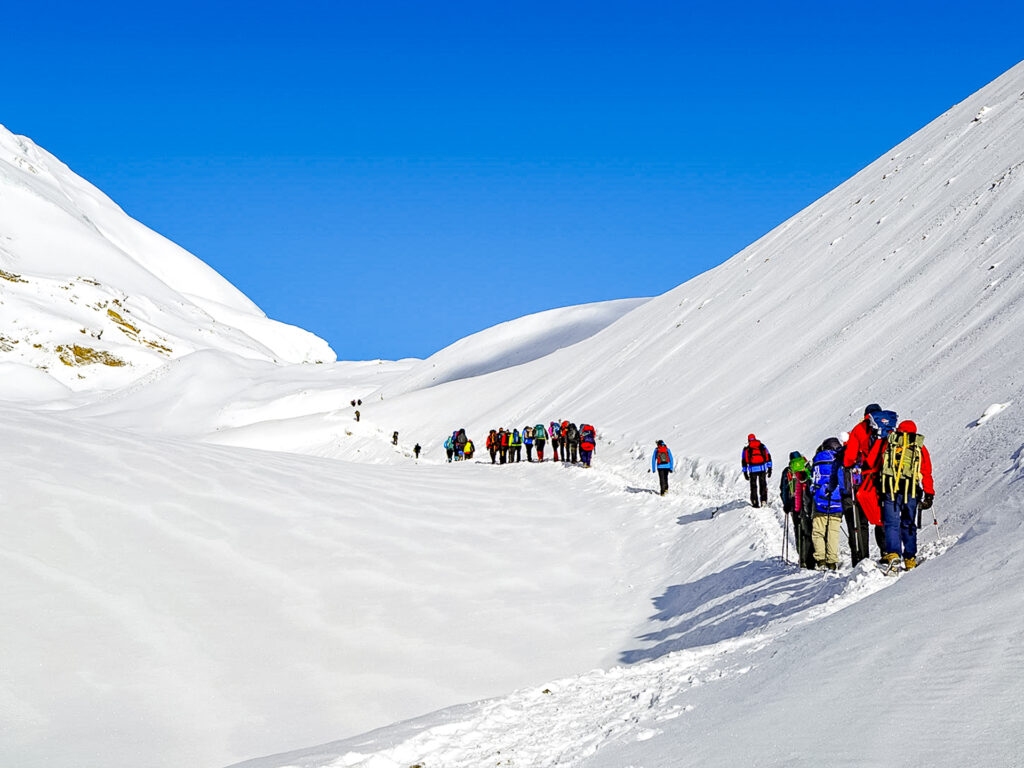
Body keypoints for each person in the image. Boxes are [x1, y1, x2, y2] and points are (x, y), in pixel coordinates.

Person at [878, 420, 935, 572]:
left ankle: (894, 554)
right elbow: (926, 472)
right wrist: (929, 494)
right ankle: (909, 558)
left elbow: (876, 463)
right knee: (909, 523)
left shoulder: (889, 443)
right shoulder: (918, 447)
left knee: (891, 523)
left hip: (890, 488)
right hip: (911, 490)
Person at [843, 403, 893, 560]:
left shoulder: (860, 429)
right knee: (883, 516)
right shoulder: (889, 425)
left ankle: (863, 556)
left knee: (862, 519)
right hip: (887, 476)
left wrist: (851, 463)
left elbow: (849, 458)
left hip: (866, 478)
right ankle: (887, 552)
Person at [810, 437, 846, 570]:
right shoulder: (840, 458)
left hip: (820, 501)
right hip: (837, 501)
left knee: (818, 532)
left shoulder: (817, 459)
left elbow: (813, 480)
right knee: (833, 532)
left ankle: (820, 560)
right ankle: (832, 561)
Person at [780, 451, 815, 569]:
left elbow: (784, 489)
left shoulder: (787, 471)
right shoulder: (807, 466)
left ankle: (803, 559)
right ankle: (812, 558)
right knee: (810, 529)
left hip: (794, 504)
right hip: (809, 502)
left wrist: (786, 504)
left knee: (799, 530)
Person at [741, 434, 772, 507]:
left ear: (748, 440)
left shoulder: (746, 449)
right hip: (762, 468)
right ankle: (763, 500)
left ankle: (755, 502)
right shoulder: (762, 446)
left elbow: (744, 461)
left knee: (753, 486)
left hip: (752, 469)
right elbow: (768, 456)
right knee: (763, 484)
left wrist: (745, 472)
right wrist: (770, 468)